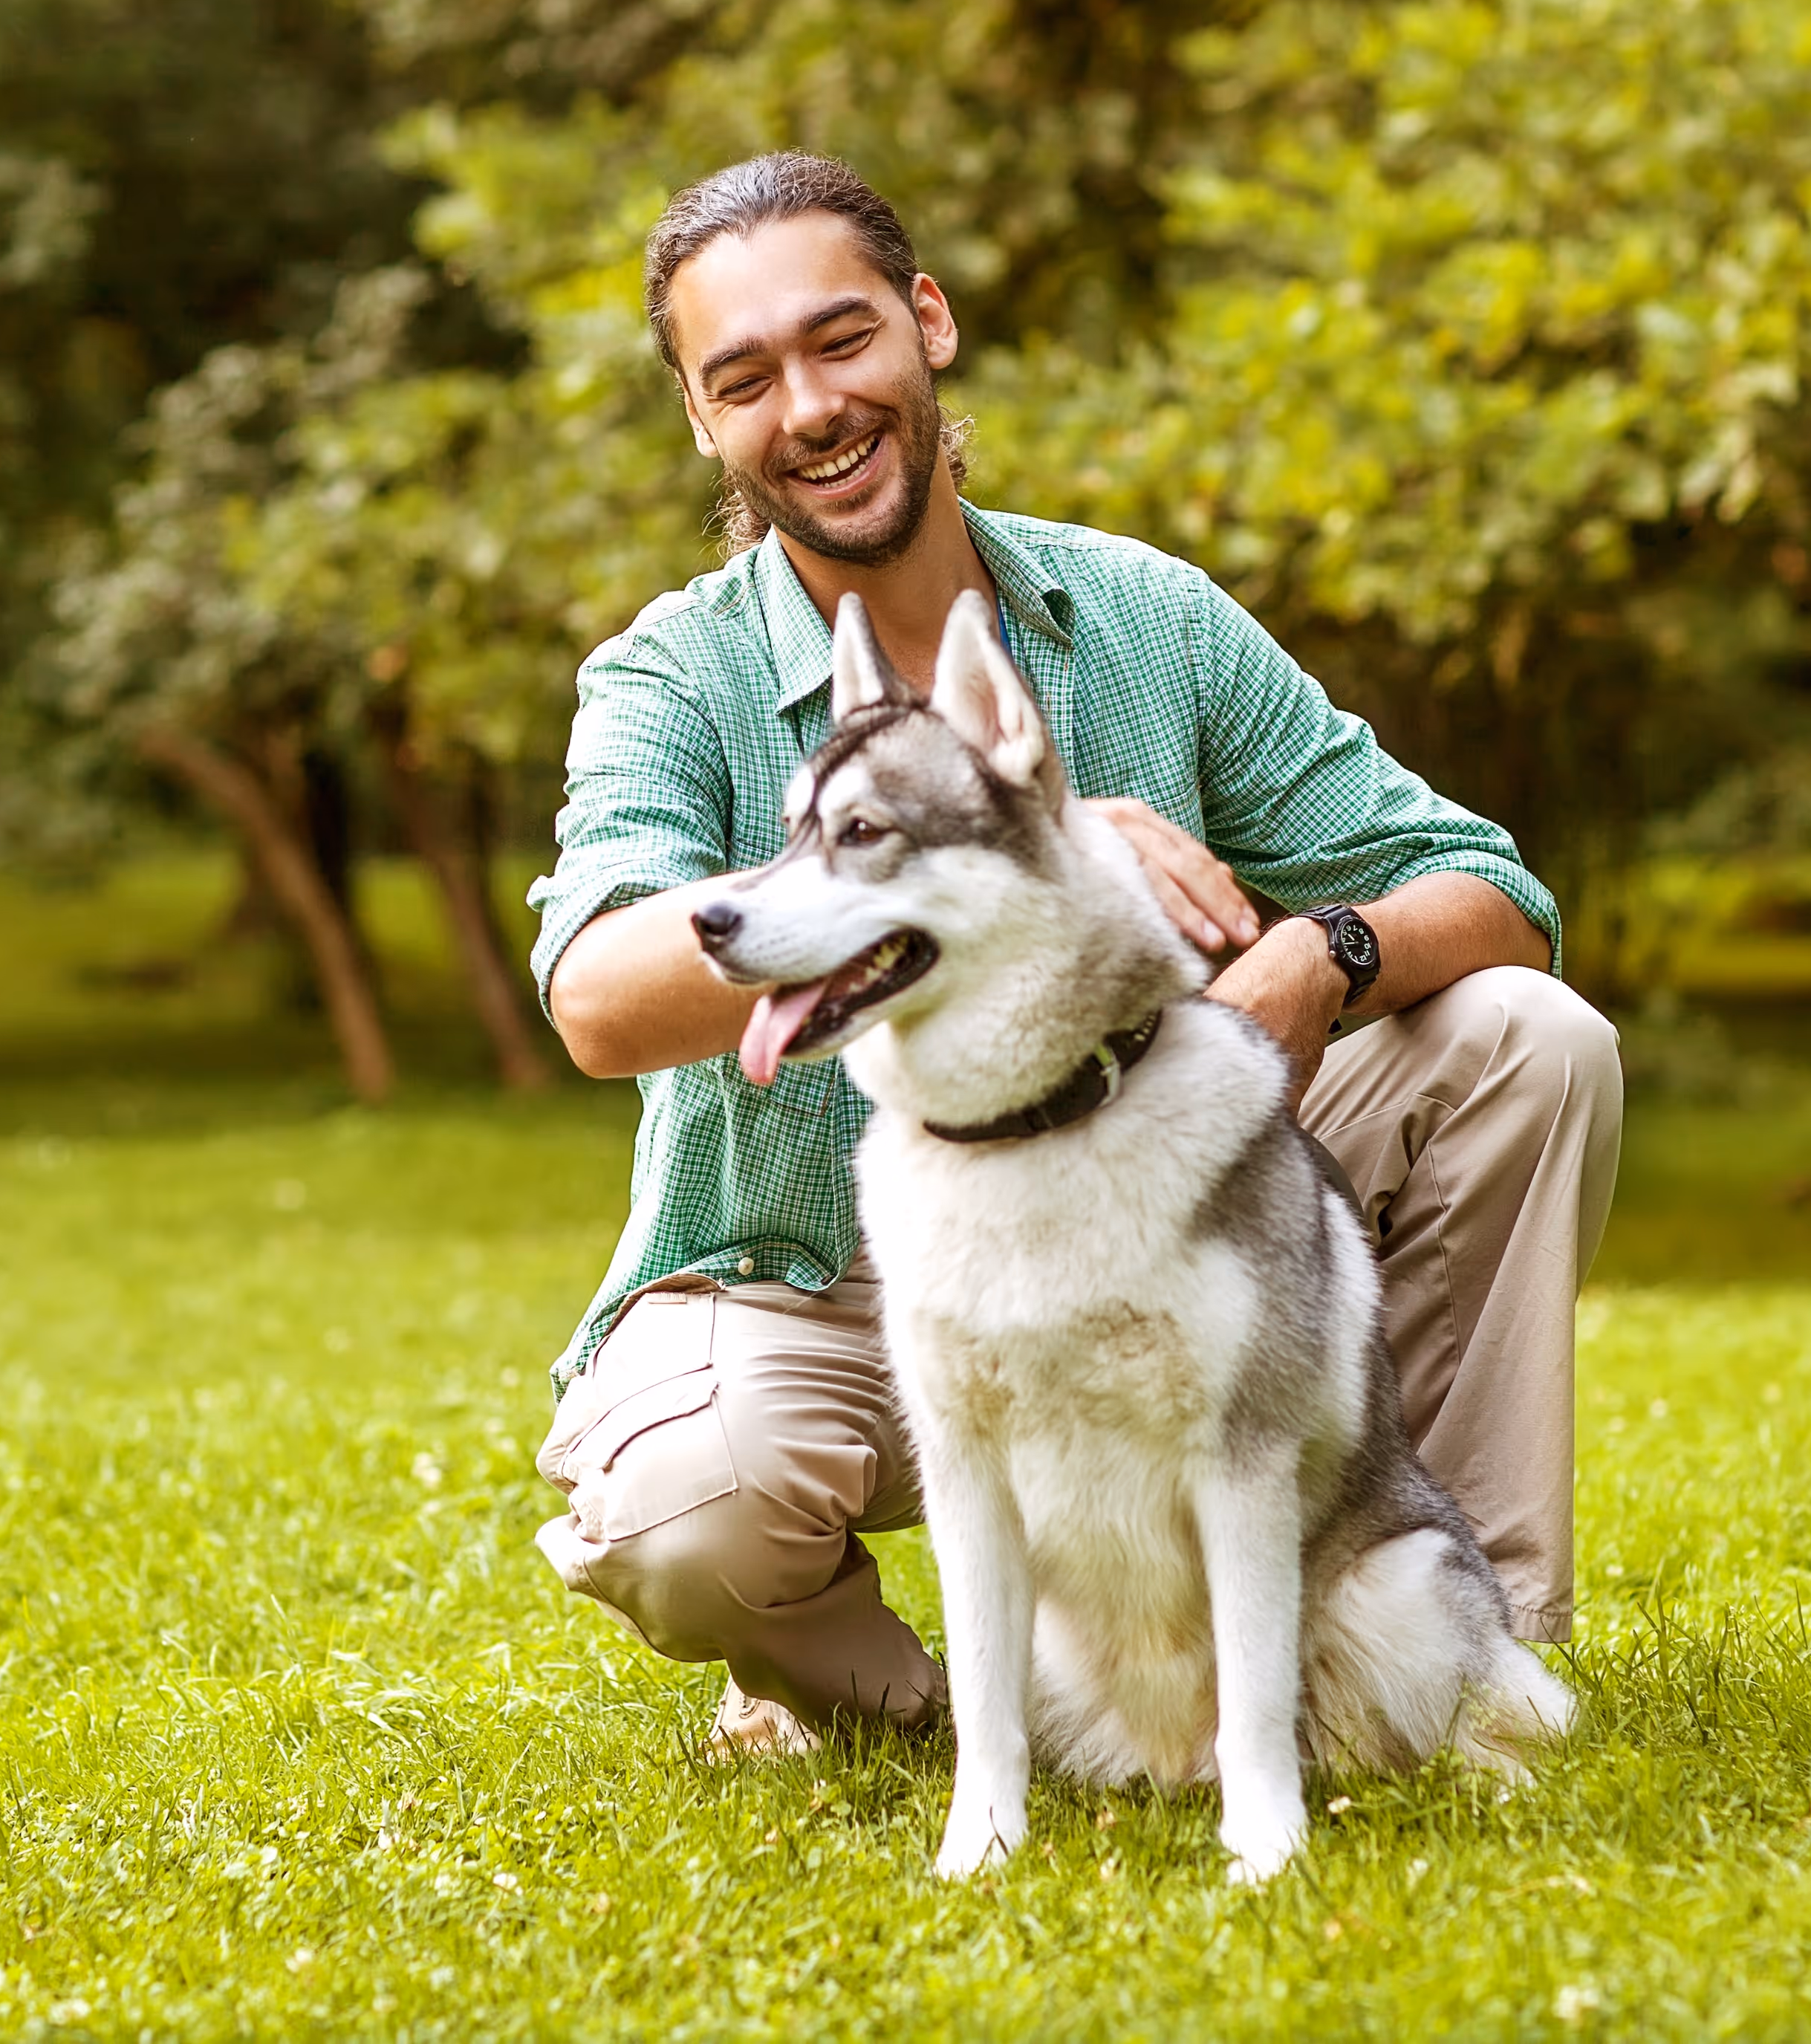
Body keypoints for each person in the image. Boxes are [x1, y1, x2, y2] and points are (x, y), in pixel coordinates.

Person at [526, 152, 1620, 1754]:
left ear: (927, 322)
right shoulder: (667, 677)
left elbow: (1486, 887)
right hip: (822, 1285)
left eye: (841, 341)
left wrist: (1316, 955)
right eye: (743, 377)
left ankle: (1453, 1649)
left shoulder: (1141, 616)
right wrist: (990, 849)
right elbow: (600, 1005)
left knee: (1527, 1038)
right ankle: (948, 1709)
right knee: (689, 1523)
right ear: (702, 420)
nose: (811, 406)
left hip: (1151, 1236)